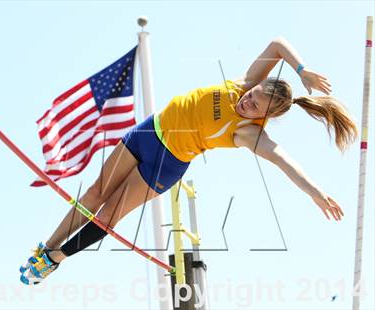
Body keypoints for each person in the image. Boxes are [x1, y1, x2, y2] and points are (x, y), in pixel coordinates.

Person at [20, 37, 357, 285]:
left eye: (255, 107)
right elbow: (277, 44)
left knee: (109, 213)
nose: (246, 104)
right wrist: (302, 70)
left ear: (266, 117)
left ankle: (56, 259)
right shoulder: (244, 85)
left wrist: (314, 192)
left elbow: (284, 161)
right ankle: (46, 247)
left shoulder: (248, 133)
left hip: (165, 165)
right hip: (148, 132)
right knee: (95, 192)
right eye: (252, 96)